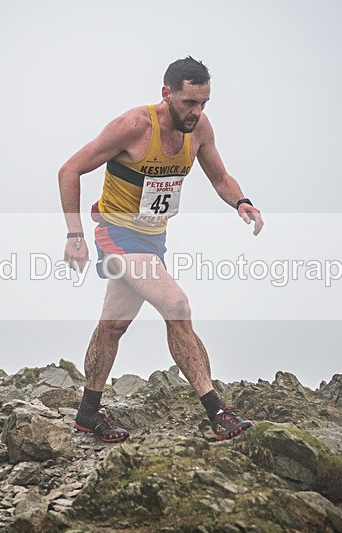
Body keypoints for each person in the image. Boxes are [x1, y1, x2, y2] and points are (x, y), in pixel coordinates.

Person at [59, 57, 264, 443]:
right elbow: (69, 170)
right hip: (116, 234)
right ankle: (216, 411)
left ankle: (88, 414)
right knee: (177, 305)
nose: (196, 111)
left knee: (113, 327)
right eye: (189, 102)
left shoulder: (199, 128)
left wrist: (241, 202)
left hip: (153, 240)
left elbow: (220, 178)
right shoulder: (133, 127)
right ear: (167, 94)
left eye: (204, 103)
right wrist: (75, 234)